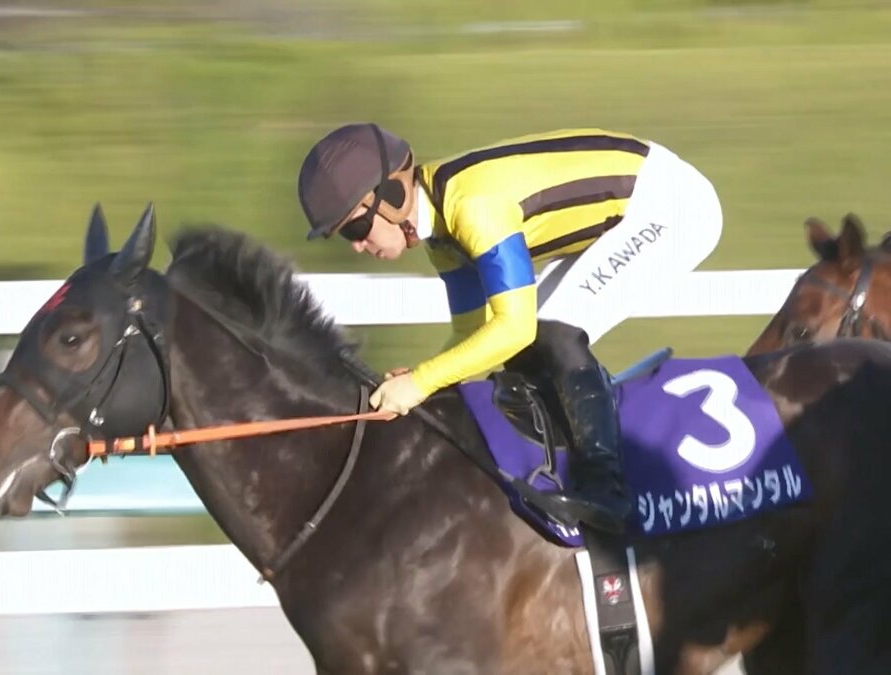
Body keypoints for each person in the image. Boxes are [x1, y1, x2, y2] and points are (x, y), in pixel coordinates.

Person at [296, 123, 723, 534]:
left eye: (354, 226)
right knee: (527, 356)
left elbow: (514, 327)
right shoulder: (442, 240)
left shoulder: (472, 207)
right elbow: (473, 335)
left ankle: (607, 492)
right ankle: (564, 465)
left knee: (552, 332)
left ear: (391, 197)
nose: (355, 244)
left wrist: (423, 383)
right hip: (633, 207)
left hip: (673, 208)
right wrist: (417, 381)